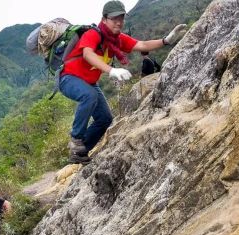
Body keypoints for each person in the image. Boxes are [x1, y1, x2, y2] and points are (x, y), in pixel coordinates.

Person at [59, 0, 187, 164]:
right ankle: (75, 139)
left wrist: (166, 40)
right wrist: (111, 70)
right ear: (104, 19)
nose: (118, 22)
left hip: (89, 82)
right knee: (89, 96)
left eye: (121, 18)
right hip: (68, 78)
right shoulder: (93, 34)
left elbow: (141, 44)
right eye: (114, 19)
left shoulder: (116, 39)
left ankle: (80, 152)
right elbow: (87, 54)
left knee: (105, 119)